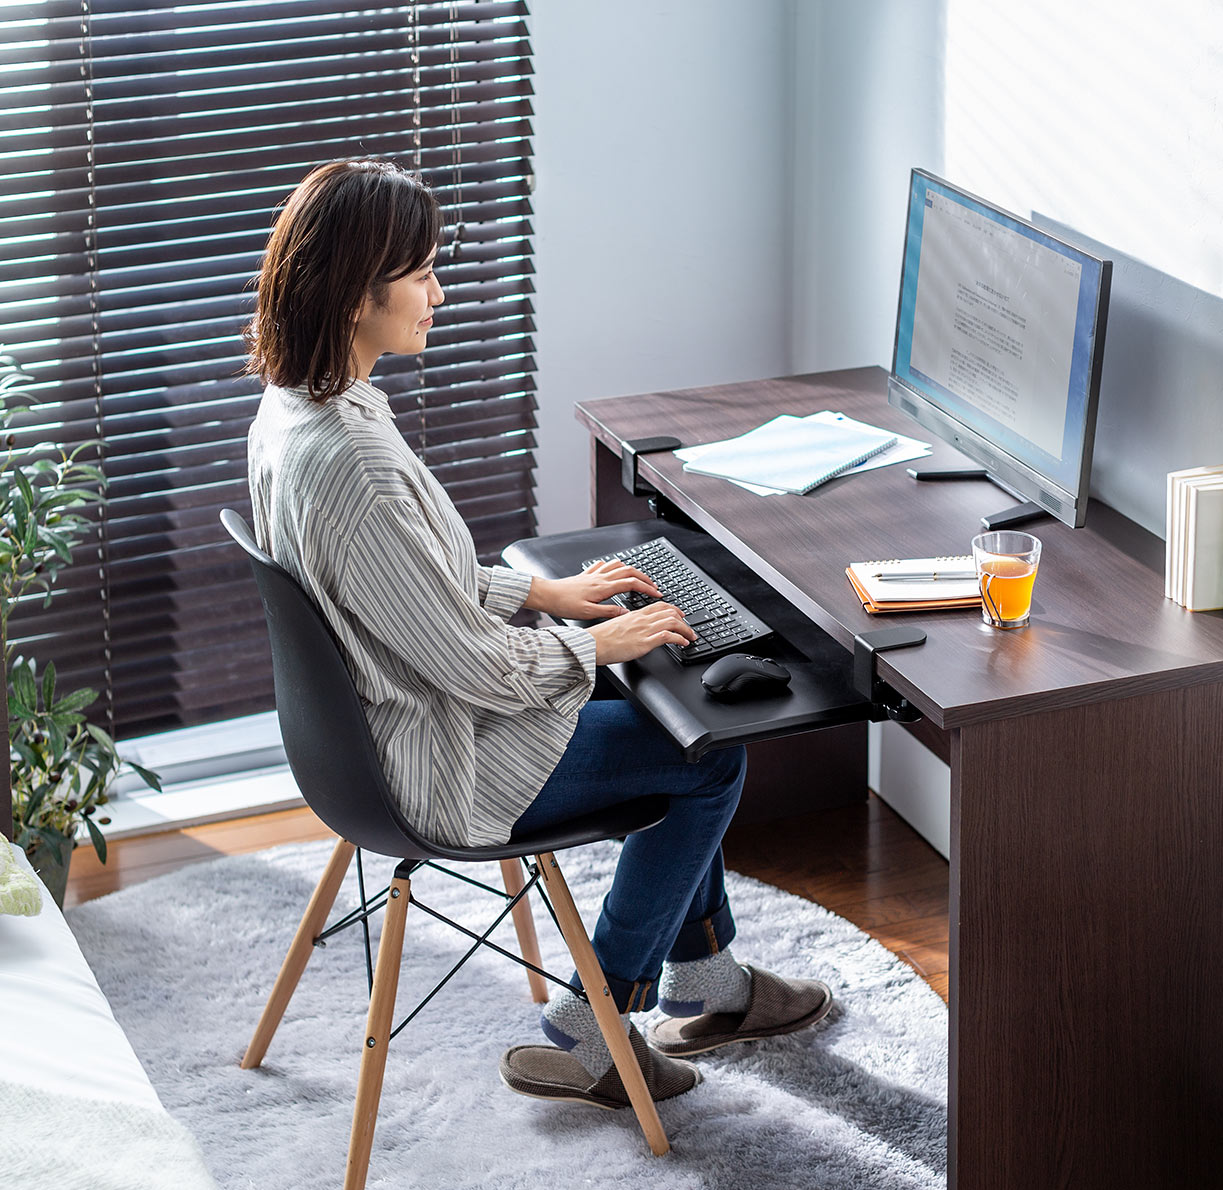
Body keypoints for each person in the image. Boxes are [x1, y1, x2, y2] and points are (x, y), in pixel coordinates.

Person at [243, 158, 833, 1111]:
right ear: (358, 294)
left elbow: (400, 585)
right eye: (424, 273)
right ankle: (599, 1029)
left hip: (368, 739)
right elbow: (466, 664)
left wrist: (547, 594)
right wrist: (602, 644)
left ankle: (708, 982)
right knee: (709, 752)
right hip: (437, 761)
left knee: (671, 699)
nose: (439, 292)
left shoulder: (302, 409)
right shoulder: (347, 459)